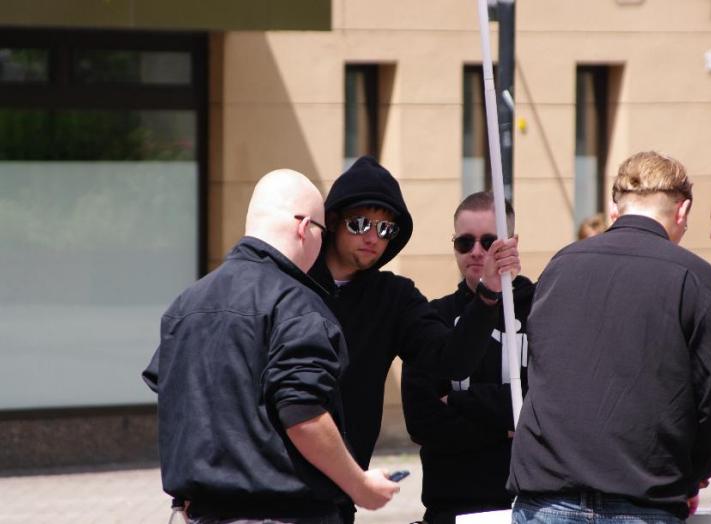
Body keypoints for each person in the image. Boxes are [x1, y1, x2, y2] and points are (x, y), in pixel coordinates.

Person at [142, 169, 399, 524]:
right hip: (282, 514)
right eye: (321, 232)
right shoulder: (298, 306)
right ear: (303, 227)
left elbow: (175, 395)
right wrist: (360, 485)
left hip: (197, 515)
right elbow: (302, 412)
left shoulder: (185, 305)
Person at [509, 151, 711, 523]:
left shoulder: (560, 267)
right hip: (642, 498)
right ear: (682, 212)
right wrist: (689, 475)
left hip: (547, 496)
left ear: (615, 208)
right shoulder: (698, 280)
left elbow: (538, 369)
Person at [308, 156, 520, 523]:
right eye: (360, 224)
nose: (373, 238)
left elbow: (452, 359)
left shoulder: (393, 298)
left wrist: (487, 293)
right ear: (333, 221)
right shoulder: (290, 284)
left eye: (386, 229)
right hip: (266, 488)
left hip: (337, 498)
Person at [401, 191, 535, 524]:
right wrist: (506, 428)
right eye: (465, 243)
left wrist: (461, 400)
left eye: (488, 242)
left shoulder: (542, 311)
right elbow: (423, 422)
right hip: (452, 506)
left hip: (531, 506)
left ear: (511, 243)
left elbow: (549, 405)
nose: (477, 253)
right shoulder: (434, 317)